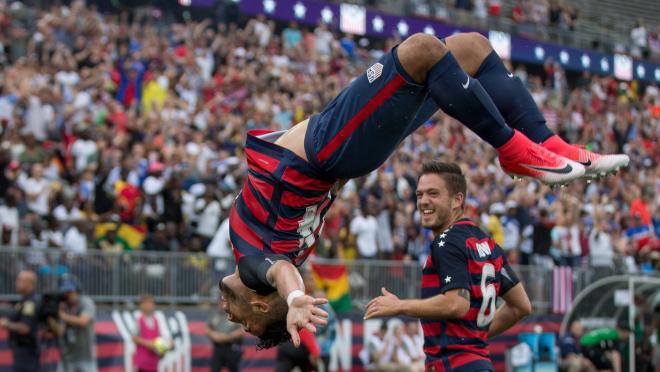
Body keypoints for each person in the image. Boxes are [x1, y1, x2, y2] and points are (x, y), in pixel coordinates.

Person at [220, 32, 628, 347]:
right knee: (423, 50)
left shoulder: (257, 244)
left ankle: (546, 144)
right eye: (240, 319)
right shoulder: (256, 268)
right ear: (260, 302)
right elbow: (282, 272)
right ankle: (514, 150)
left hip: (337, 144)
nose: (226, 309)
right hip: (329, 147)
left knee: (469, 50)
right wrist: (292, 300)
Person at [364, 161, 532, 371]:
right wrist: (474, 338)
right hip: (478, 364)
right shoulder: (487, 243)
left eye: (433, 194)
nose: (424, 201)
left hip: (453, 365)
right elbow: (521, 306)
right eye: (419, 194)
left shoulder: (448, 241)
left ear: (457, 200)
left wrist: (400, 306)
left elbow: (456, 304)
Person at [51, 275, 98, 372]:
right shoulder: (64, 306)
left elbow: (83, 321)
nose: (68, 295)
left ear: (77, 290)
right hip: (67, 357)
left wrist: (62, 315)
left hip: (85, 356)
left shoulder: (86, 302)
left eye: (71, 291)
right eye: (66, 292)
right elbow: (60, 331)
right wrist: (50, 318)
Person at [0, 270, 40, 372]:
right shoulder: (24, 301)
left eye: (20, 280)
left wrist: (7, 324)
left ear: (30, 283)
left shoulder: (30, 303)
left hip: (27, 352)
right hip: (21, 351)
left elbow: (25, 328)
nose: (16, 283)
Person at [132, 294, 174, 372]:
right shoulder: (137, 318)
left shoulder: (159, 319)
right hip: (141, 364)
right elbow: (134, 338)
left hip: (154, 364)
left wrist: (167, 345)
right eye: (146, 303)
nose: (149, 305)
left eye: (151, 303)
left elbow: (168, 339)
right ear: (141, 305)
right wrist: (149, 344)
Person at [207, 304, 244, 372]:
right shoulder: (215, 314)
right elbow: (207, 329)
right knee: (214, 369)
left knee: (233, 368)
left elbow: (242, 330)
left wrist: (228, 337)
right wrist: (213, 335)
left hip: (232, 347)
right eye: (221, 302)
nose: (223, 305)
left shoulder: (236, 314)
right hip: (218, 347)